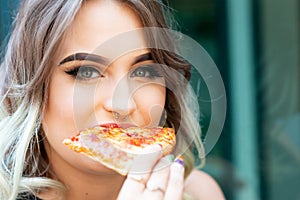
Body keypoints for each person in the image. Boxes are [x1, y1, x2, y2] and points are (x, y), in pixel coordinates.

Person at [0, 0, 225, 199]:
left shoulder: (198, 193)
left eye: (143, 72)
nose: (122, 105)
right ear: (34, 87)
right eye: (86, 72)